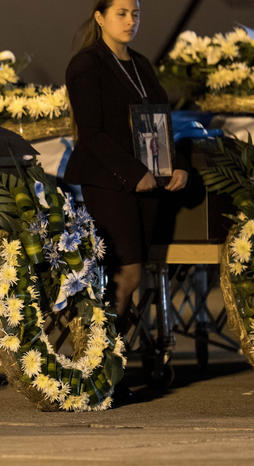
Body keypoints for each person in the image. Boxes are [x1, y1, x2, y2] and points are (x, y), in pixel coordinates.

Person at [64, 0, 188, 396]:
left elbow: (161, 122)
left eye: (136, 13)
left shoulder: (141, 64)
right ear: (99, 17)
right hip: (110, 181)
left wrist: (176, 166)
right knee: (125, 272)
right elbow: (92, 133)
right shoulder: (86, 64)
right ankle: (100, 367)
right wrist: (134, 173)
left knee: (135, 272)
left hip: (148, 182)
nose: (131, 20)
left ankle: (112, 362)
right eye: (121, 12)